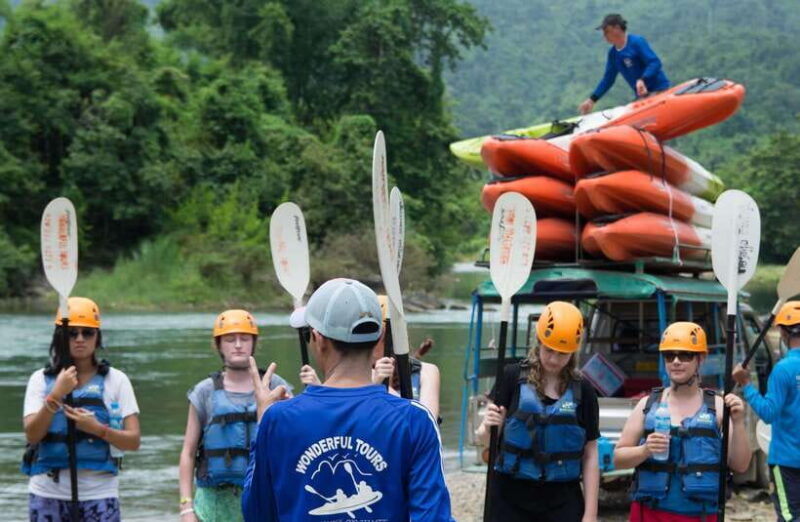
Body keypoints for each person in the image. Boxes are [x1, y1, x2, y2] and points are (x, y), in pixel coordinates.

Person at [243, 278, 453, 521]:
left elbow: (256, 512)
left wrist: (262, 422)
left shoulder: (277, 419)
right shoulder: (416, 419)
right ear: (380, 336)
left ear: (318, 339)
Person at [476, 301, 600, 522]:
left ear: (574, 351)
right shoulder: (511, 377)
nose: (553, 359)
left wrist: (590, 513)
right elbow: (485, 441)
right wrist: (487, 426)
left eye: (562, 354)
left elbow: (591, 455)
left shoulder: (585, 391)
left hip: (563, 498)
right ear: (539, 342)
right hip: (510, 496)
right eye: (549, 350)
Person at [615, 322, 751, 522]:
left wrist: (738, 423)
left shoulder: (719, 407)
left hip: (699, 515)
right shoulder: (647, 404)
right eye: (670, 355)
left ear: (700, 359)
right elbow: (618, 459)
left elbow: (741, 465)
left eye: (685, 355)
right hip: (650, 513)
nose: (676, 361)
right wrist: (644, 451)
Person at [22, 297, 141, 521]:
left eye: (87, 333)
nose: (79, 339)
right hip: (47, 492)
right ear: (60, 337)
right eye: (71, 333)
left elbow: (133, 441)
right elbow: (32, 434)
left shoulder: (116, 380)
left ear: (97, 337)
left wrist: (97, 429)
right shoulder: (40, 380)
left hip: (99, 493)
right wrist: (56, 395)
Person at [178, 309, 292, 522]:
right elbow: (188, 452)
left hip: (264, 496)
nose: (238, 345)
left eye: (244, 338)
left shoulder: (276, 385)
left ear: (254, 342)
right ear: (219, 345)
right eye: (230, 339)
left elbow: (295, 442)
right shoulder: (204, 392)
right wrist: (186, 507)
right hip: (213, 504)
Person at [299, 295, 442, 419]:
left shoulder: (426, 372)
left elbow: (426, 422)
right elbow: (340, 419)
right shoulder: (351, 373)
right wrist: (318, 388)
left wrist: (380, 387)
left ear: (385, 333)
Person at [733, 301, 800, 522]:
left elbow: (768, 413)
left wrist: (746, 385)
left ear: (782, 331)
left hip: (787, 460)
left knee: (790, 517)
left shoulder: (783, 369)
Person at [578, 13, 670, 115]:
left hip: (659, 90)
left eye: (606, 31)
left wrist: (642, 79)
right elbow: (608, 79)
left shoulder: (636, 42)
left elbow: (654, 62)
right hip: (643, 97)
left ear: (617, 28)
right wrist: (592, 100)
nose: (604, 36)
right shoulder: (613, 54)